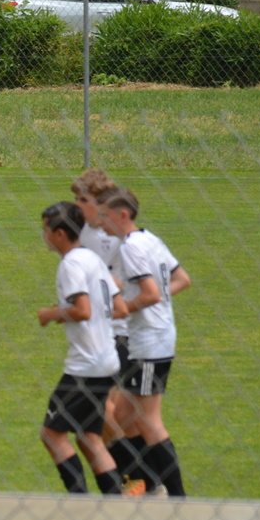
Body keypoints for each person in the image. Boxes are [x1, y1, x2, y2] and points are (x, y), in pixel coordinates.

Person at [98, 186, 192, 498]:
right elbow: (181, 280)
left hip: (151, 341)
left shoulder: (130, 247)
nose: (101, 222)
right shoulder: (151, 239)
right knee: (121, 417)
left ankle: (177, 498)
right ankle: (147, 485)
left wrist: (124, 306)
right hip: (154, 337)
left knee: (149, 422)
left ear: (122, 215)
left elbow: (151, 294)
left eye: (105, 216)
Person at [35, 202, 127, 495]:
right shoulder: (92, 258)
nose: (43, 235)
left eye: (45, 230)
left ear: (59, 233)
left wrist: (52, 314)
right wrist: (69, 310)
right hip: (107, 358)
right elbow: (120, 307)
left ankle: (79, 500)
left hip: (85, 365)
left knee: (51, 434)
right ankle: (114, 498)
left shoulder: (71, 264)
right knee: (89, 437)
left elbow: (83, 310)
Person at [71, 169, 146, 494]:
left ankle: (138, 476)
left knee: (102, 412)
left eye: (83, 200)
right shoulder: (84, 230)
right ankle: (138, 476)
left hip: (119, 331)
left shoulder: (117, 237)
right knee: (108, 413)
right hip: (96, 330)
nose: (77, 206)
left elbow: (131, 280)